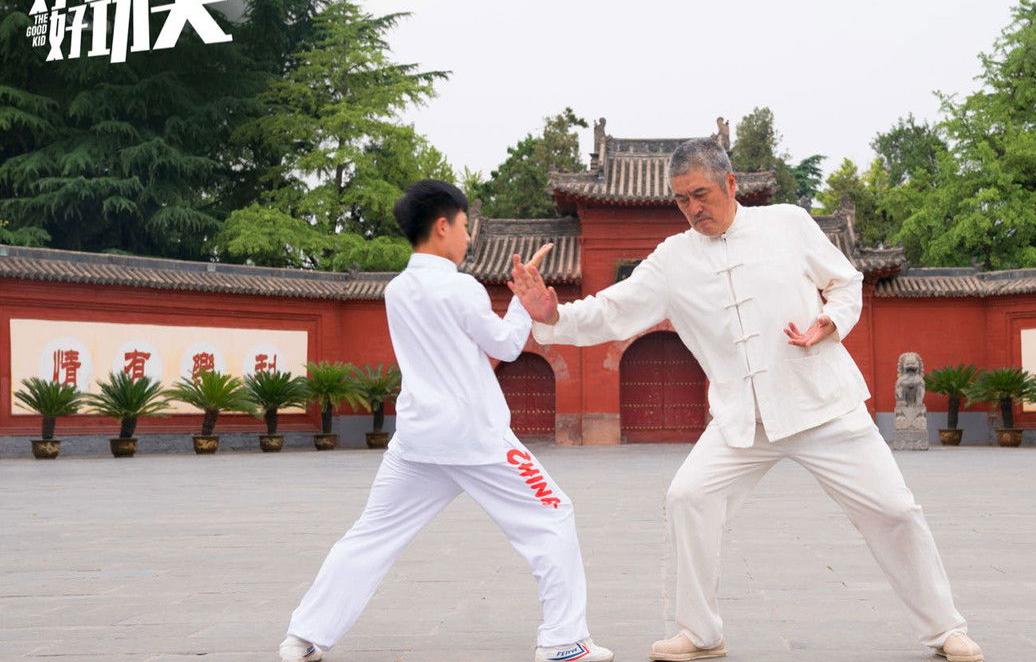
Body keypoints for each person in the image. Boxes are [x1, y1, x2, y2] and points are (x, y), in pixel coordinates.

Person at [509, 139, 983, 662]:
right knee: (689, 497)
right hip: (741, 419)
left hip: (823, 405)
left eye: (701, 194)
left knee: (895, 509)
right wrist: (551, 317)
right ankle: (700, 633)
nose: (692, 209)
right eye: (681, 199)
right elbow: (611, 311)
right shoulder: (672, 260)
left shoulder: (788, 223)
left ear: (731, 185)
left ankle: (945, 630)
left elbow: (847, 283)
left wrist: (828, 323)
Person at [279, 179, 613, 662]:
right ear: (442, 226)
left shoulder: (397, 290)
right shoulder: (461, 287)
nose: (470, 238)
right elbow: (504, 345)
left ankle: (304, 637)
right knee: (553, 516)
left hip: (416, 442)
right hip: (478, 439)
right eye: (464, 226)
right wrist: (521, 298)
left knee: (371, 537)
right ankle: (563, 641)